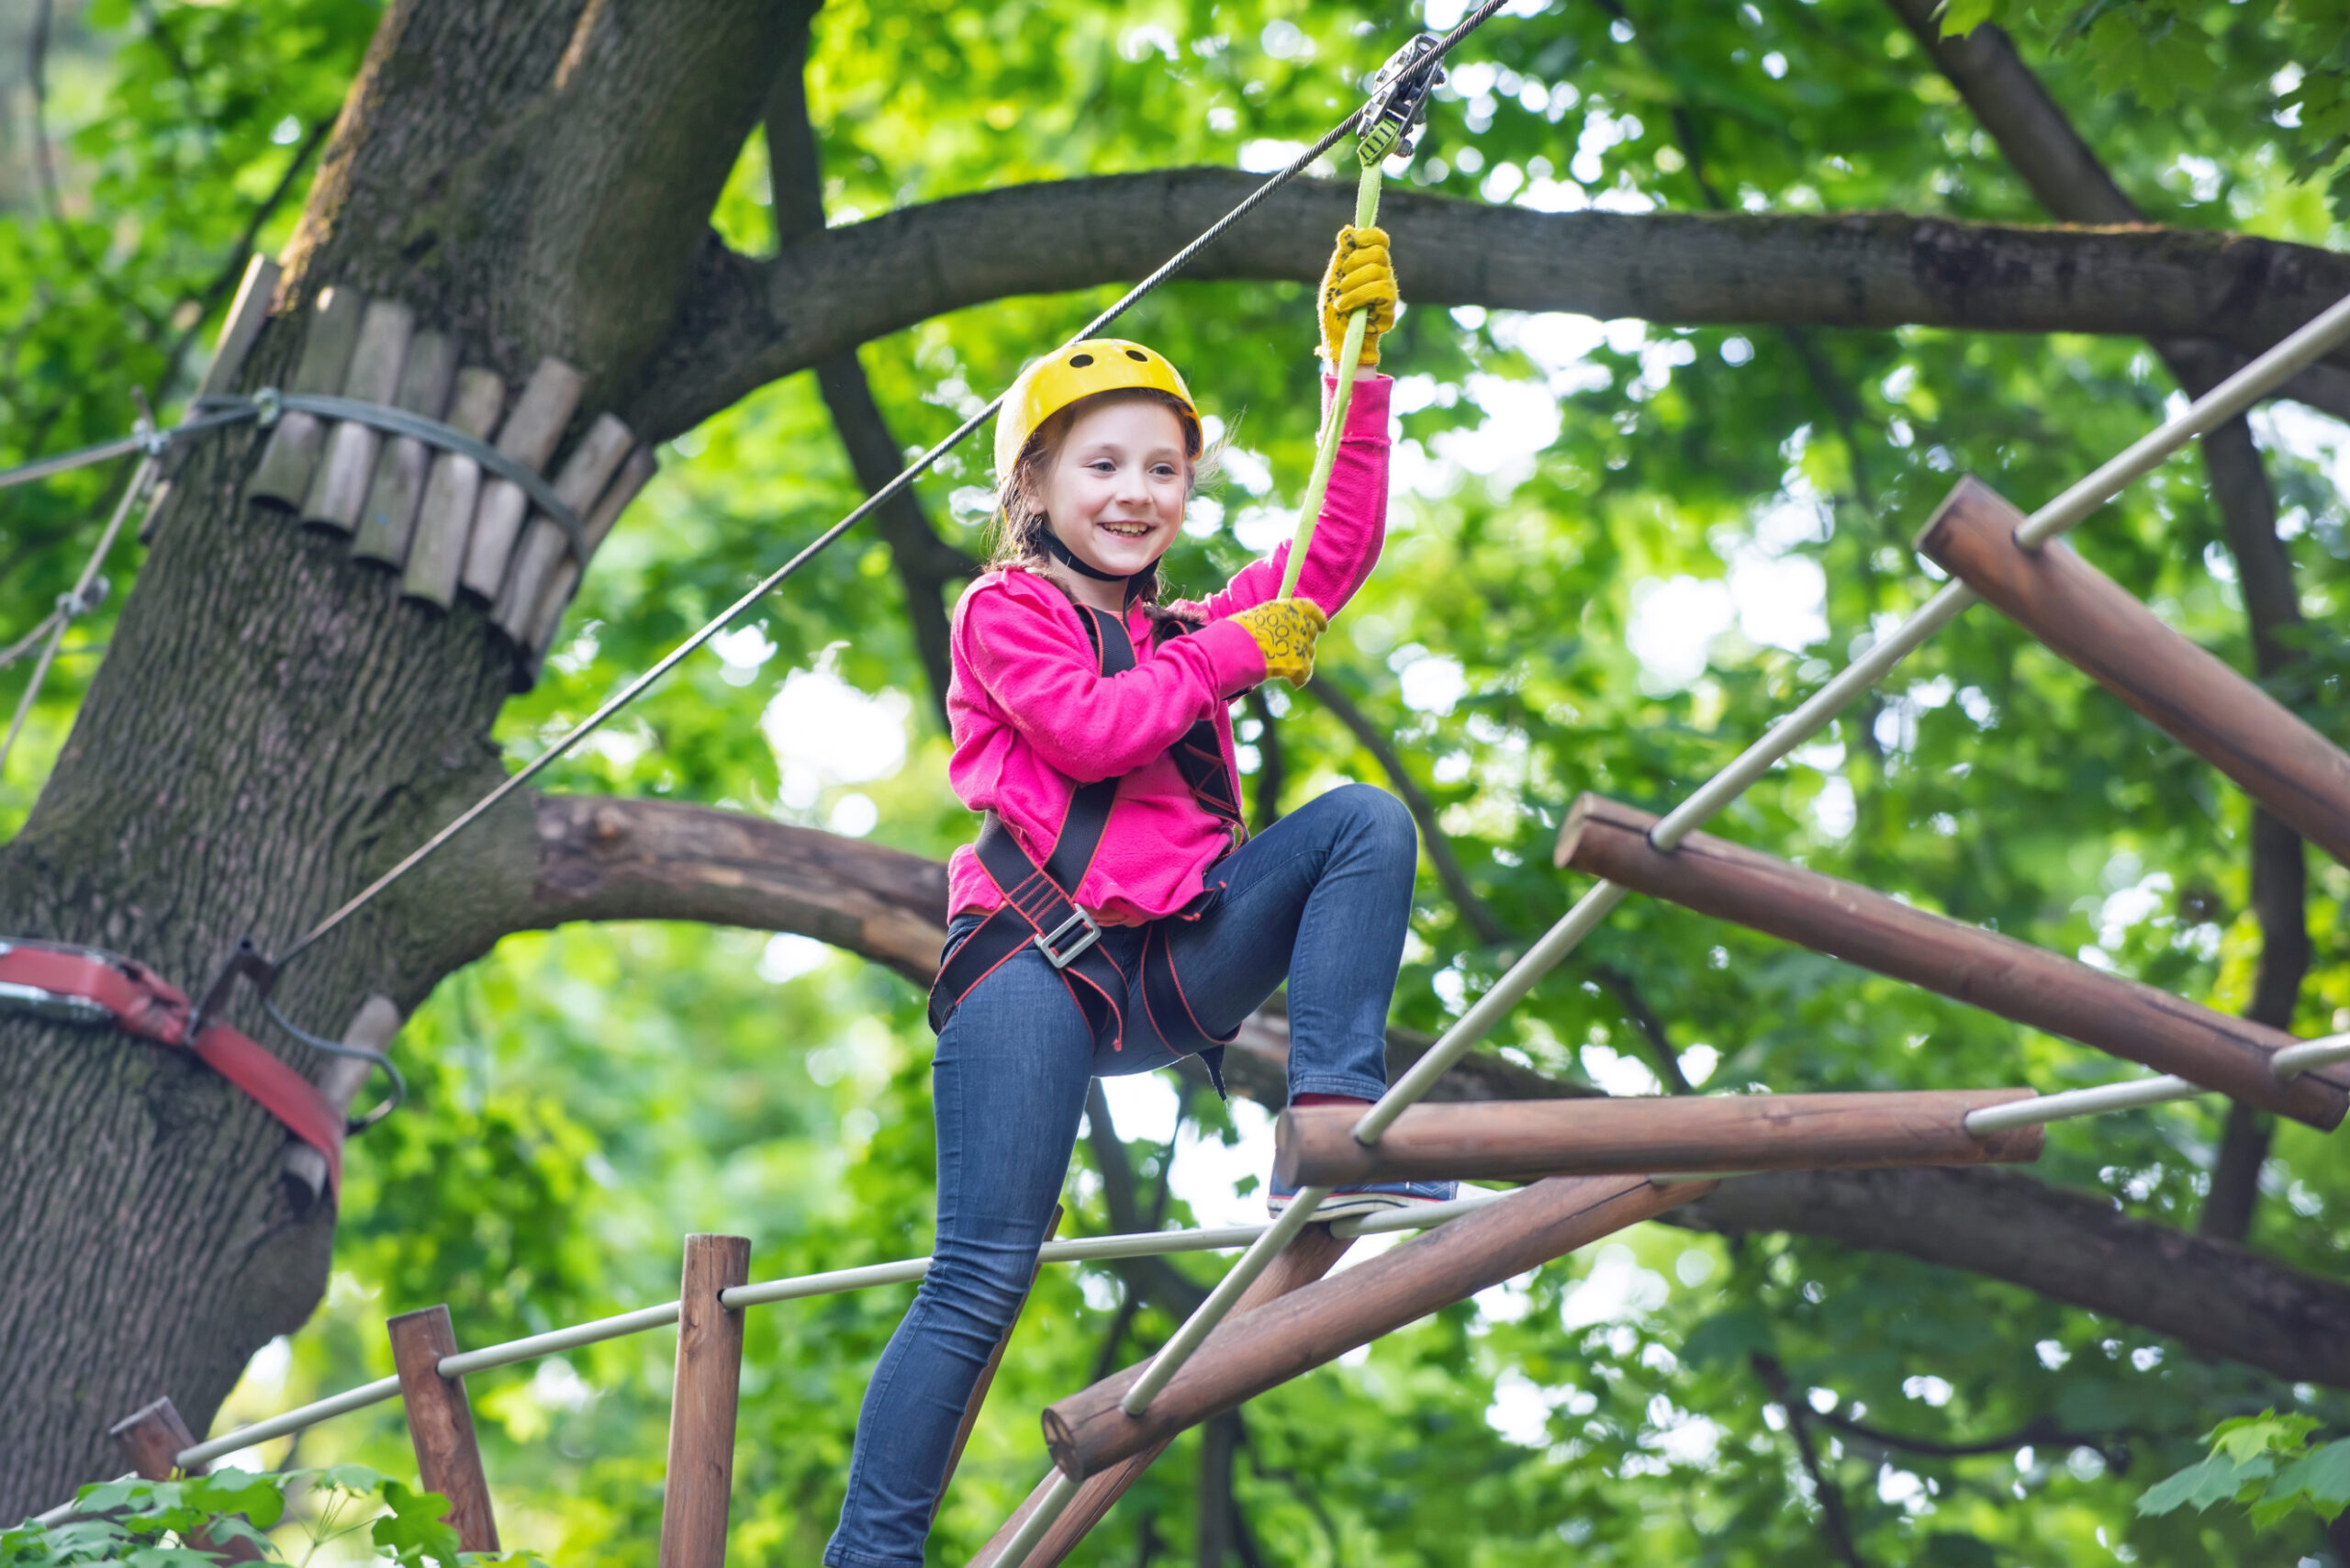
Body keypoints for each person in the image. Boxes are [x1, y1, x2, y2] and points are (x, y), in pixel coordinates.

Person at [823, 224, 1452, 1568]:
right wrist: (1230, 654)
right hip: (1031, 968)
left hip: (1175, 959)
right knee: (981, 1275)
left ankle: (1332, 1122)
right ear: (1034, 484)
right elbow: (1092, 730)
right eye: (1102, 465)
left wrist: (1355, 376)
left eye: (1163, 469)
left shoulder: (1182, 632)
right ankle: (870, 1556)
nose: (1136, 493)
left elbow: (1326, 560)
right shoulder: (1004, 611)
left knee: (1361, 821)